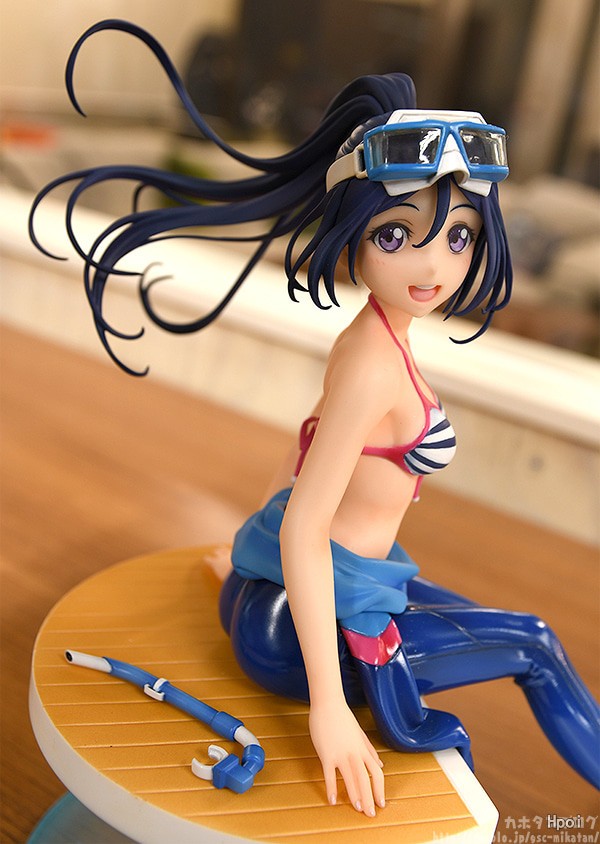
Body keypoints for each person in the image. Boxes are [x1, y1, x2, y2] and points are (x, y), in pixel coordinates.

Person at [30, 19, 599, 819]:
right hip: (308, 629)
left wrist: (246, 557)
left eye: (459, 237)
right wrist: (329, 709)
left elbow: (306, 445)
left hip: (301, 593)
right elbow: (307, 520)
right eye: (397, 235)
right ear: (353, 231)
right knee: (535, 644)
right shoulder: (372, 362)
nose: (433, 265)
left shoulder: (372, 341)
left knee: (512, 630)